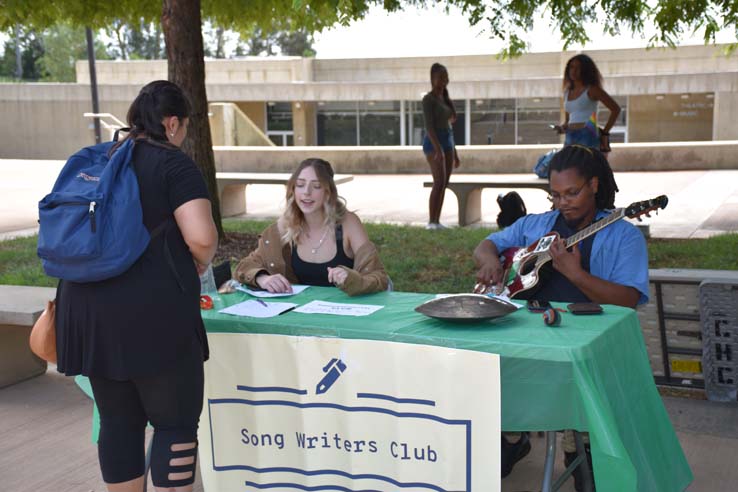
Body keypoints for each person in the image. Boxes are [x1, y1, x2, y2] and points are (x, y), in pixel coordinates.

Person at [55, 80, 218, 492]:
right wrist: (197, 261)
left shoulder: (99, 157)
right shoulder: (173, 163)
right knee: (175, 423)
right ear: (173, 123)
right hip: (152, 315)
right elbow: (201, 238)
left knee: (117, 421)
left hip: (86, 310)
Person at [473, 145, 649, 490]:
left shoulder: (623, 235)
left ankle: (579, 445)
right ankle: (512, 436)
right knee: (482, 359)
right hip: (529, 331)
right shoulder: (534, 225)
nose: (562, 202)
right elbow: (486, 244)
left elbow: (628, 301)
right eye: (555, 194)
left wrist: (577, 275)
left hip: (587, 339)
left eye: (572, 192)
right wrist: (490, 261)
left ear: (594, 185)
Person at [234, 158, 389, 295]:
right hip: (300, 318)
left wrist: (352, 279)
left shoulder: (348, 223)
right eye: (300, 185)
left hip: (345, 316)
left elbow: (379, 277)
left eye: (316, 186)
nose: (306, 192)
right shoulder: (286, 224)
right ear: (293, 190)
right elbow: (244, 267)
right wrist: (263, 278)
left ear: (328, 192)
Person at [554, 54, 621, 154]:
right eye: (571, 67)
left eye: (578, 67)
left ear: (585, 70)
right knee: (568, 167)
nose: (574, 71)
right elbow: (568, 120)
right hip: (570, 136)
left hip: (587, 133)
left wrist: (605, 132)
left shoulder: (592, 89)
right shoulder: (567, 92)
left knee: (586, 167)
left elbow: (615, 109)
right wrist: (562, 128)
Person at [422, 63, 461, 229]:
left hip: (448, 142)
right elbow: (429, 127)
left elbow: (449, 126)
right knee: (438, 182)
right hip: (433, 144)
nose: (444, 80)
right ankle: (431, 221)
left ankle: (437, 221)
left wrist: (455, 152)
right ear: (432, 78)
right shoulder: (428, 99)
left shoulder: (444, 98)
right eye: (440, 76)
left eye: (446, 76)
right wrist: (438, 149)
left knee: (445, 183)